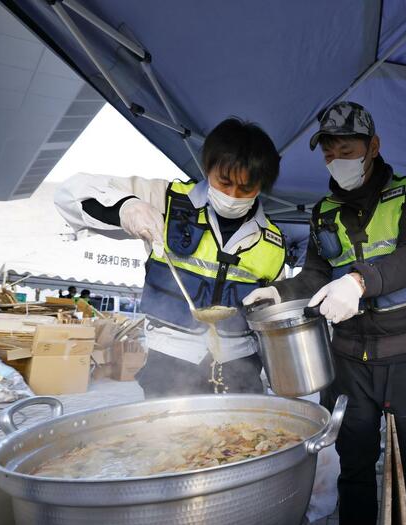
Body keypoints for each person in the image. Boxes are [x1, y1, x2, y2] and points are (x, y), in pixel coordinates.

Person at [243, 101, 406, 525]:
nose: (337, 161)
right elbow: (314, 274)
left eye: (346, 149)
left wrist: (359, 282)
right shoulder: (323, 211)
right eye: (329, 153)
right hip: (348, 358)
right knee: (354, 466)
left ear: (373, 146)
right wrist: (280, 289)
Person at [55, 117, 285, 398]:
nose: (232, 195)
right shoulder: (165, 199)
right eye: (223, 182)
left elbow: (272, 314)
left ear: (262, 186)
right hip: (170, 361)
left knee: (240, 440)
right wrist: (126, 207)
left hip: (241, 366)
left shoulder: (273, 242)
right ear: (207, 168)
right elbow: (69, 194)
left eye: (245, 189)